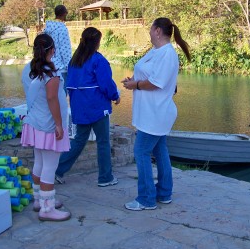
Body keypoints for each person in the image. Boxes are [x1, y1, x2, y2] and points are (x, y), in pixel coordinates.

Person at [121, 17, 191, 211]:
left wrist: (135, 84)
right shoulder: (155, 52)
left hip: (156, 113)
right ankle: (164, 193)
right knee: (160, 151)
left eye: (151, 29)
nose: (149, 32)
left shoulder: (168, 54)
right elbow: (148, 75)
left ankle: (146, 199)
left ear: (158, 31)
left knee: (141, 152)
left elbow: (156, 83)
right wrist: (133, 80)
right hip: (150, 112)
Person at [55, 26, 121, 187]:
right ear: (97, 42)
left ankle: (57, 170)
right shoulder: (98, 60)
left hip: (80, 108)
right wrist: (115, 96)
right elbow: (106, 84)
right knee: (103, 142)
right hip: (97, 108)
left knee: (79, 141)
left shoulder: (74, 61)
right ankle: (105, 177)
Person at [20, 33, 71, 221]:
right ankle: (47, 209)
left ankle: (39, 200)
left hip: (35, 122)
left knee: (40, 162)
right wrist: (59, 124)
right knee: (50, 165)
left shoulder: (31, 68)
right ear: (52, 50)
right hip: (48, 125)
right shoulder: (51, 72)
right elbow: (52, 99)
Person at [43, 5, 72, 91]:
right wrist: (69, 67)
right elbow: (65, 50)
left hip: (48, 65)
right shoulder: (62, 29)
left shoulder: (47, 29)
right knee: (61, 94)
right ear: (64, 13)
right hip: (60, 68)